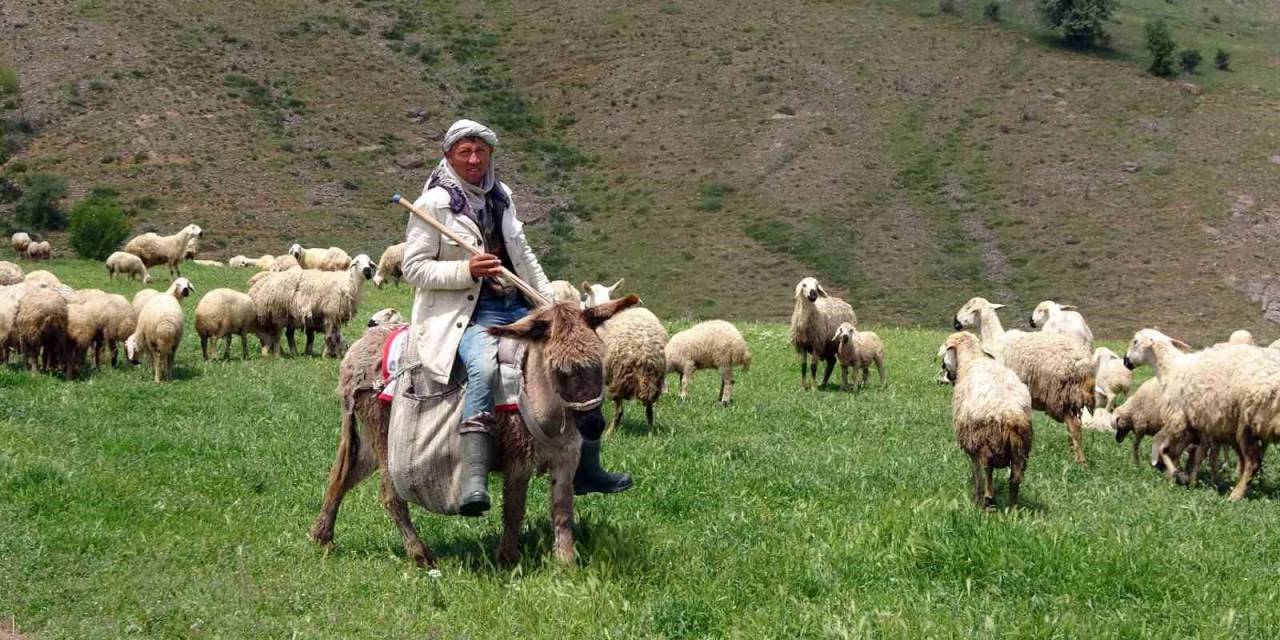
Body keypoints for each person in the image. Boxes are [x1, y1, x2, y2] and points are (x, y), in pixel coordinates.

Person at [401, 119, 633, 516]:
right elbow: (413, 268)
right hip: (468, 311)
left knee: (581, 360)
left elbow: (523, 256)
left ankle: (587, 466)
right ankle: (474, 475)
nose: (474, 159)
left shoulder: (500, 195)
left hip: (517, 302)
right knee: (483, 368)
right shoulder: (433, 205)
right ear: (448, 156)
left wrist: (549, 301)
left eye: (481, 151)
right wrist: (466, 272)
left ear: (490, 154)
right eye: (465, 152)